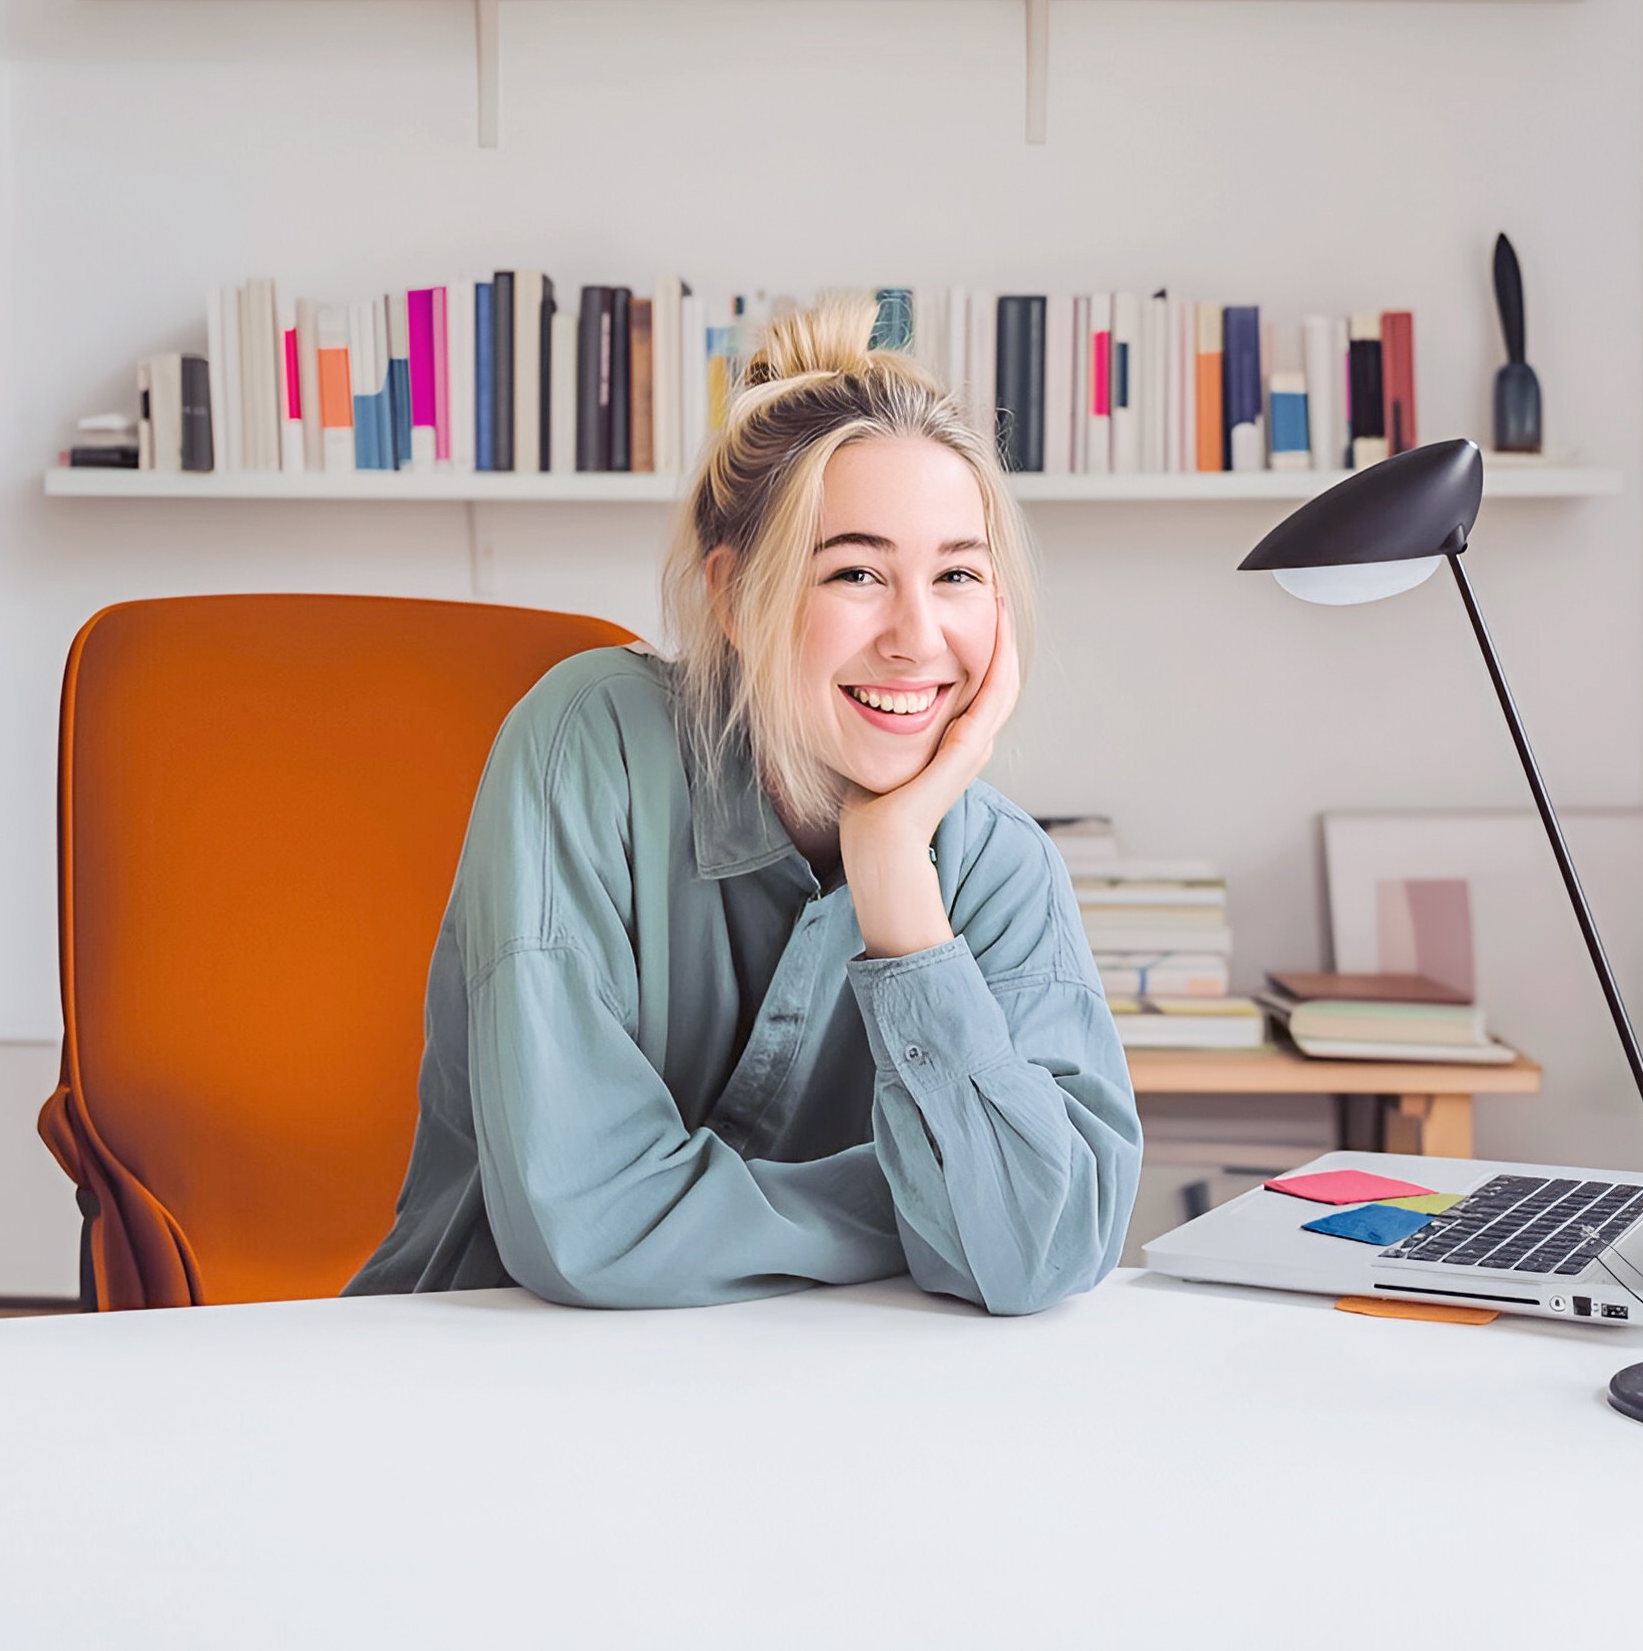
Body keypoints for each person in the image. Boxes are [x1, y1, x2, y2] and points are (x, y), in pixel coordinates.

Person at [347, 295, 1141, 1314]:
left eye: (957, 574)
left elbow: (1044, 1249)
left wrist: (896, 876)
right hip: (491, 1380)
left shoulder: (999, 862)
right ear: (734, 594)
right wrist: (920, 1208)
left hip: (812, 1405)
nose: (916, 633)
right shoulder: (586, 746)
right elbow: (587, 1229)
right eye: (856, 570)